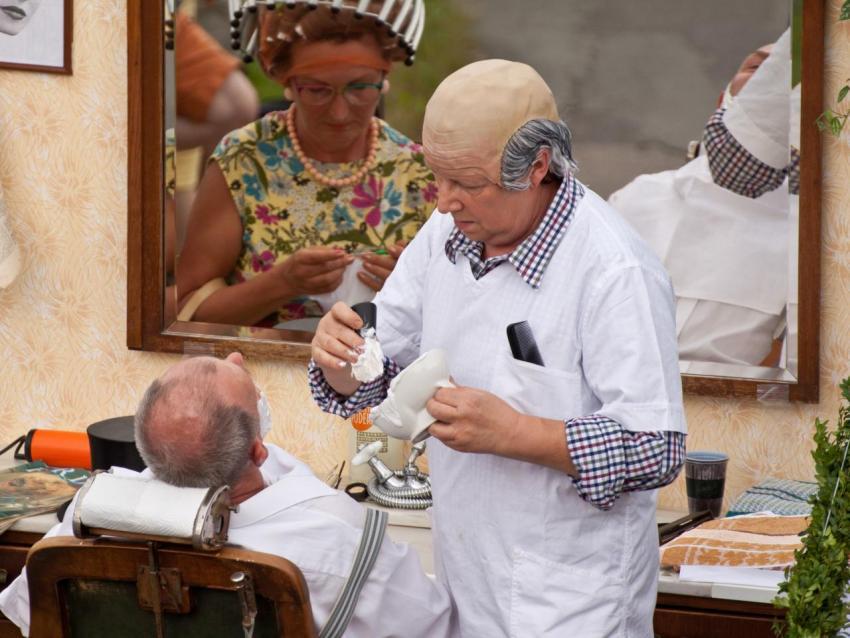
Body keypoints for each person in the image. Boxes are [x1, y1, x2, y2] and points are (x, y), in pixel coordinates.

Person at [309, 59, 687, 636]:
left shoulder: (614, 269)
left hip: (573, 604)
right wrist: (341, 358)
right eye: (438, 176)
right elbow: (381, 367)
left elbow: (656, 448)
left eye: (467, 183)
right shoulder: (448, 235)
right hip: (463, 579)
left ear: (537, 167)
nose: (443, 202)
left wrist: (514, 433)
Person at [0, 352, 453, 638]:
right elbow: (432, 627)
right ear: (258, 450)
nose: (237, 358)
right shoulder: (336, 538)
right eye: (247, 385)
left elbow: (27, 615)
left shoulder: (90, 518)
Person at [176, 1, 434, 328]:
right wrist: (283, 283)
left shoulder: (419, 174)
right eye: (316, 90)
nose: (340, 112)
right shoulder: (244, 161)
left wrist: (413, 289)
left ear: (384, 79)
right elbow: (185, 311)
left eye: (360, 88)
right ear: (286, 82)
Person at [609, 38, 791, 367]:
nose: (767, 80)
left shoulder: (807, 233)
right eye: (756, 66)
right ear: (723, 102)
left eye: (781, 72)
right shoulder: (636, 197)